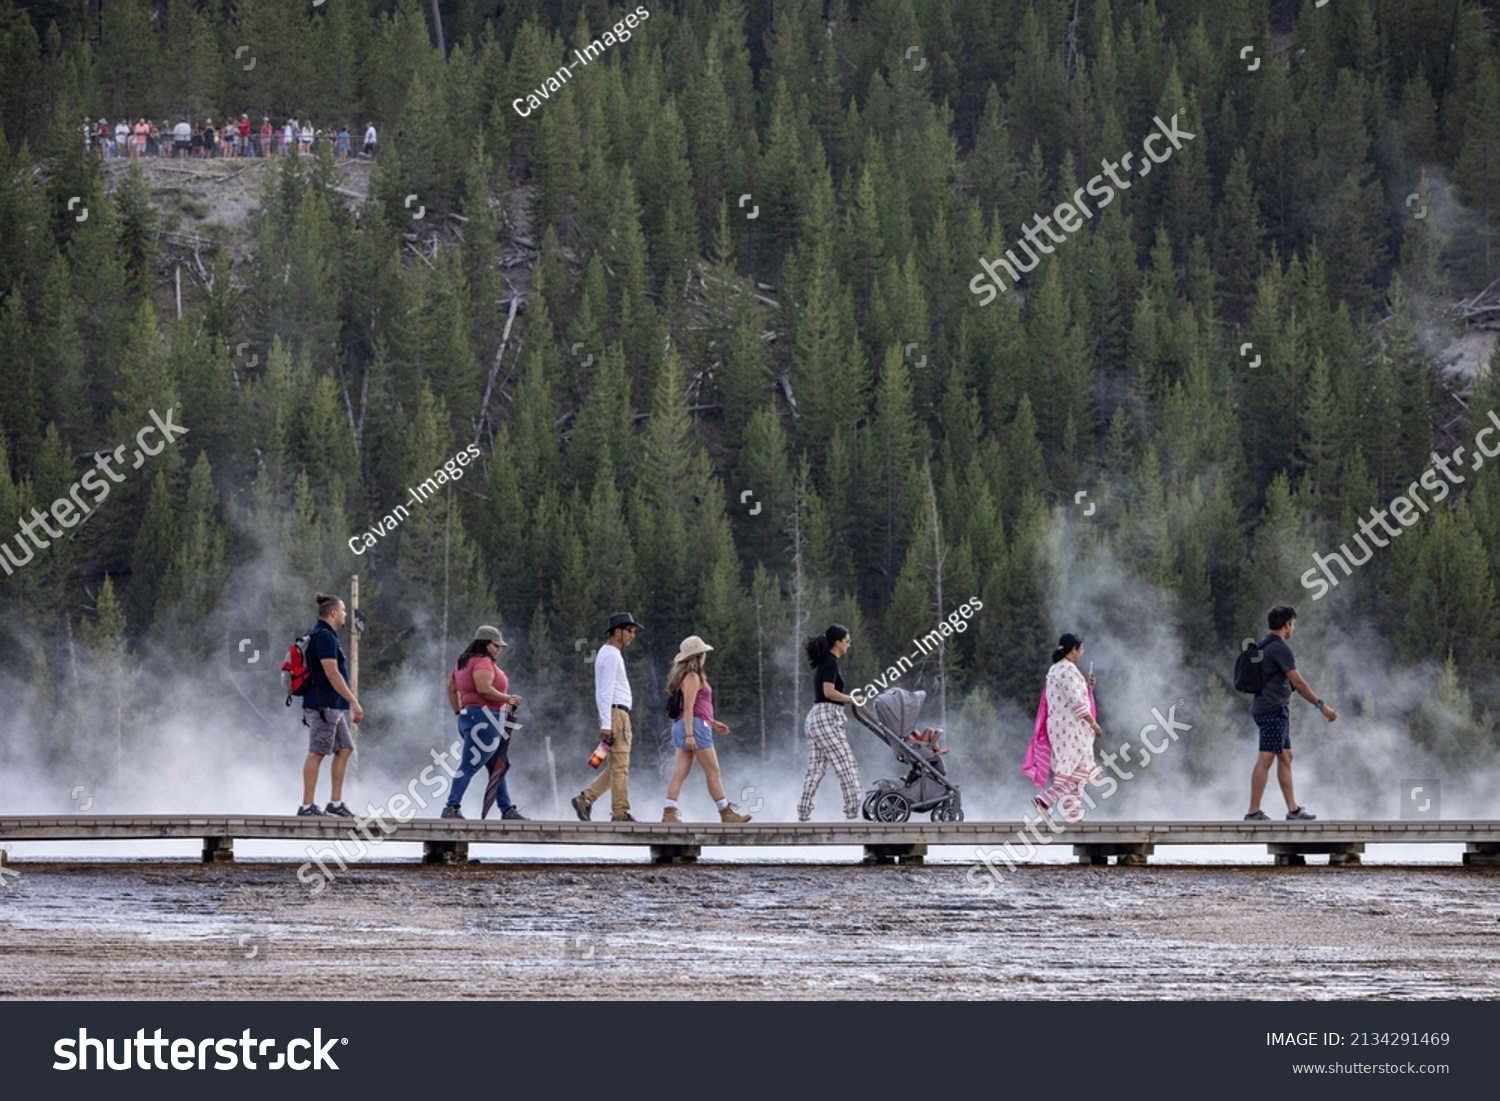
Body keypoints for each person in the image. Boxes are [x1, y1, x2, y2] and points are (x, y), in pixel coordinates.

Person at [1245, 605, 1336, 821]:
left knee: (1285, 756)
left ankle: (1293, 810)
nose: (1293, 628)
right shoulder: (1279, 648)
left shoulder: (1263, 645)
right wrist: (1321, 706)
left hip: (1270, 708)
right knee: (1266, 758)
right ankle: (1253, 811)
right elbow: (1298, 682)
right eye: (1293, 624)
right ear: (1287, 623)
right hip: (1272, 709)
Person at [661, 636, 751, 824]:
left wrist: (713, 722)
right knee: (713, 771)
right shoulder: (693, 677)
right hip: (694, 727)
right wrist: (690, 734)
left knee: (680, 772)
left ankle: (669, 812)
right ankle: (726, 813)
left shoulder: (685, 677)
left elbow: (694, 707)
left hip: (687, 724)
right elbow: (689, 707)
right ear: (699, 655)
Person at [442, 626, 525, 820]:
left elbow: (451, 688)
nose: (498, 649)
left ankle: (506, 809)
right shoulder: (483, 662)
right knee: (469, 766)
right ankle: (451, 806)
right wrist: (509, 699)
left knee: (497, 764)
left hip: (470, 718)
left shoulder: (462, 662)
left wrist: (458, 711)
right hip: (486, 719)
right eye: (495, 645)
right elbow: (484, 689)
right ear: (484, 643)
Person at [297, 592, 363, 817]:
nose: (345, 615)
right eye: (343, 610)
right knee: (317, 752)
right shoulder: (324, 636)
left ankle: (335, 802)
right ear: (333, 613)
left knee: (345, 748)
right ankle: (307, 806)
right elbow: (332, 673)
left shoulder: (324, 634)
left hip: (333, 705)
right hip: (324, 704)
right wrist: (354, 701)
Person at [572, 611, 640, 822]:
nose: (632, 635)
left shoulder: (607, 653)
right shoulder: (611, 655)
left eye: (633, 631)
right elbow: (605, 691)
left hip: (615, 714)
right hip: (616, 713)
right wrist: (607, 723)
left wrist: (606, 720)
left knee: (614, 767)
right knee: (621, 766)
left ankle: (586, 798)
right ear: (617, 632)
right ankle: (620, 812)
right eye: (629, 630)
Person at [1032, 634, 1104, 822]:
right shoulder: (1068, 670)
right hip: (1071, 727)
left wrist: (1086, 686)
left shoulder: (1056, 669)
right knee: (1077, 767)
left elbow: (1069, 696)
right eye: (1080, 650)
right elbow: (1076, 702)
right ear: (1073, 650)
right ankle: (1045, 800)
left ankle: (1073, 814)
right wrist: (1093, 723)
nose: (1081, 654)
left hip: (1059, 725)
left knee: (1075, 769)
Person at [797, 624, 862, 821]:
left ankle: (803, 813)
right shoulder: (830, 663)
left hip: (816, 718)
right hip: (826, 717)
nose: (849, 645)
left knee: (816, 768)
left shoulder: (824, 662)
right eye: (847, 641)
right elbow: (829, 692)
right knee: (846, 764)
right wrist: (852, 699)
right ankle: (853, 813)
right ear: (838, 643)